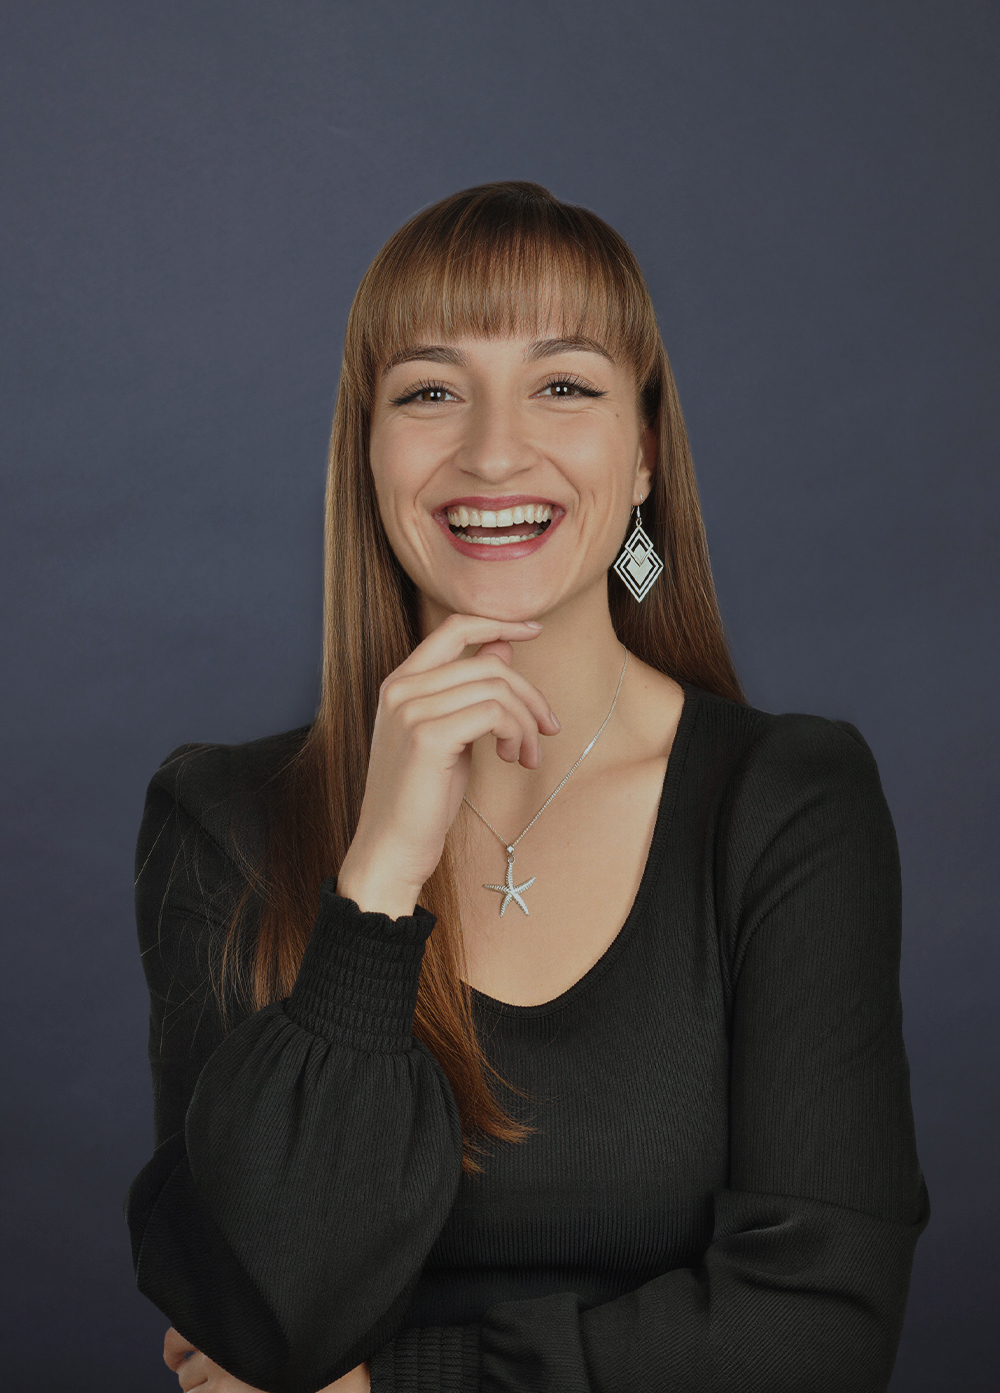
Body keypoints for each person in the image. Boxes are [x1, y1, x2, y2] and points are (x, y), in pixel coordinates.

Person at [124, 181, 929, 1393]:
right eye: (429, 392)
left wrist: (398, 1386)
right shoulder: (220, 821)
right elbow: (256, 1309)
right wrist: (376, 882)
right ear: (367, 453)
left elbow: (820, 1323)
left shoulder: (786, 804)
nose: (494, 450)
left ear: (643, 452)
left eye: (563, 385)